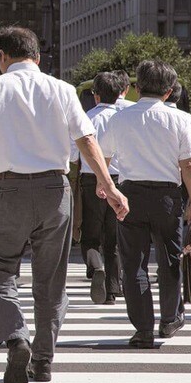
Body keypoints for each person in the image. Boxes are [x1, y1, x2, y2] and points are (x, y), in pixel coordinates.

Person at [0, 27, 128, 383]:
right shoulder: (63, 89)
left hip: (7, 188)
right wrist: (108, 185)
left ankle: (15, 337)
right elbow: (86, 139)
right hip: (56, 188)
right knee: (52, 279)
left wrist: (3, 137)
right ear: (37, 57)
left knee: (0, 269)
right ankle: (42, 360)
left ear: (2, 57)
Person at [99, 61, 191, 349]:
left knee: (133, 264)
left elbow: (103, 157)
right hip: (168, 196)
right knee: (169, 260)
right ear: (169, 92)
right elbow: (189, 166)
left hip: (130, 193)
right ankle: (169, 319)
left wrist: (105, 186)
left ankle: (142, 329)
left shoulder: (118, 119)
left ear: (137, 87)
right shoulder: (180, 120)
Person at [70, 72, 123, 304]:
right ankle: (113, 289)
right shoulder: (126, 118)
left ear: (95, 94)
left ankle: (96, 265)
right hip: (121, 181)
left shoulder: (86, 118)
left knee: (90, 235)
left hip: (91, 180)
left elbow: (73, 155)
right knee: (114, 237)